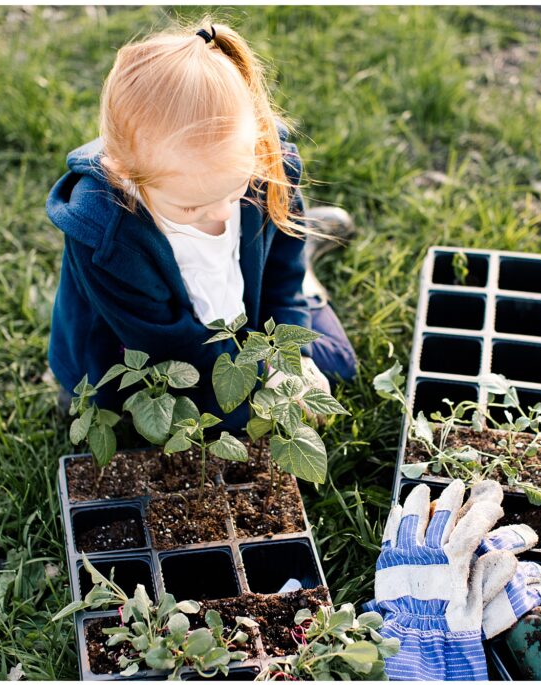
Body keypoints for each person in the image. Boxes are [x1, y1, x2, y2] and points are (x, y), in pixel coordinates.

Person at [46, 20, 357, 429]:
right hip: (145, 358)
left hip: (239, 321)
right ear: (123, 173)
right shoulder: (106, 236)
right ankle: (304, 292)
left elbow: (282, 272)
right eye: (192, 207)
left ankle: (306, 277)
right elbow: (173, 353)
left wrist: (290, 360)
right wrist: (263, 389)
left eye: (234, 192)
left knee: (337, 366)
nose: (223, 216)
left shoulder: (263, 161)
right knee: (160, 425)